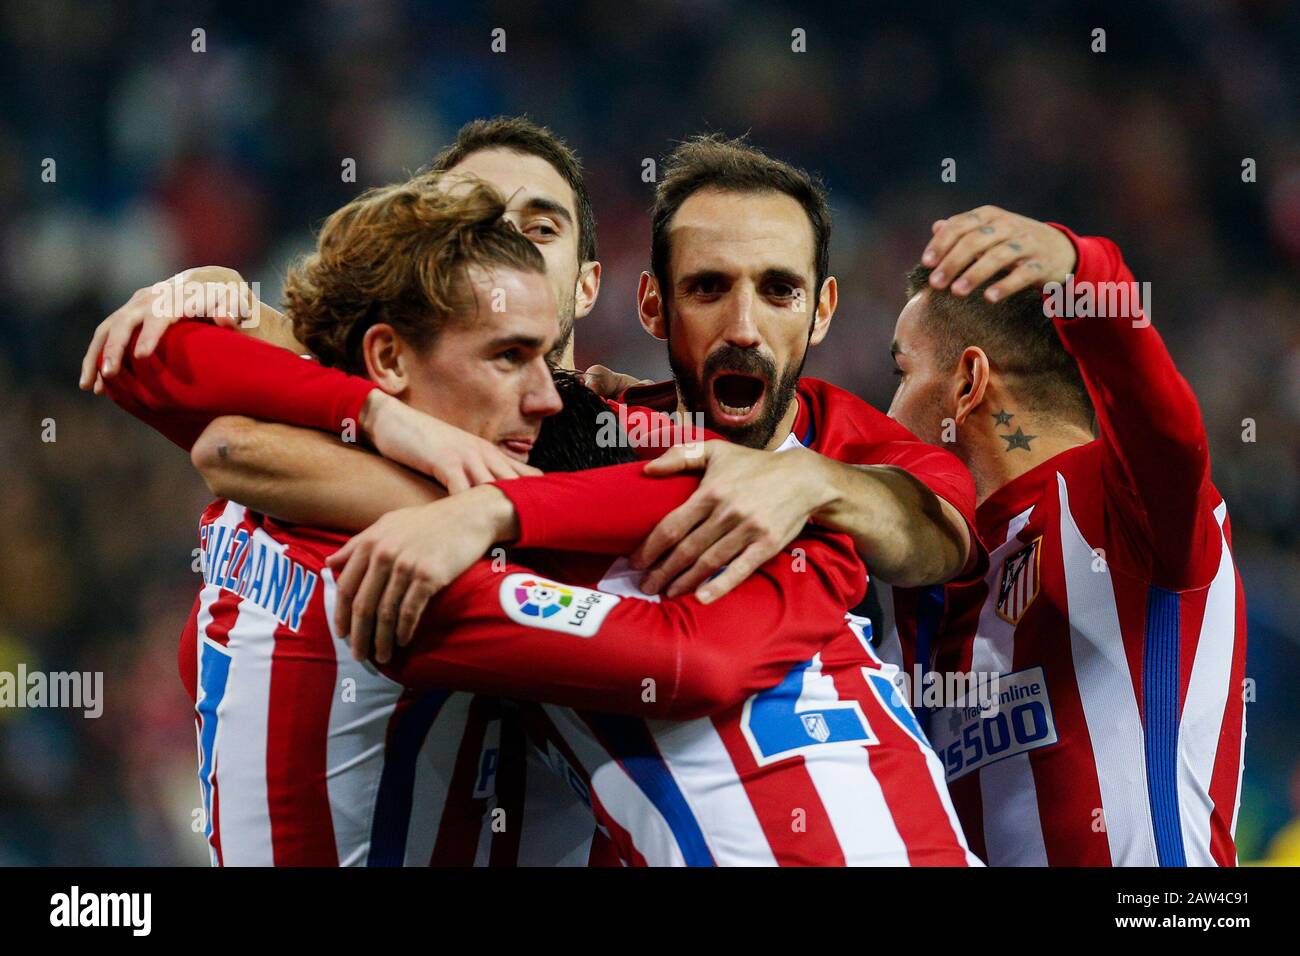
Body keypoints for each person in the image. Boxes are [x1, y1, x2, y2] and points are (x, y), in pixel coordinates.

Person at [885, 204, 1247, 867]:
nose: (890, 411)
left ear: (968, 383)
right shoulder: (933, 591)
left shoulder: (1116, 505)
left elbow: (1166, 431)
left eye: (902, 374)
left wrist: (1086, 270)